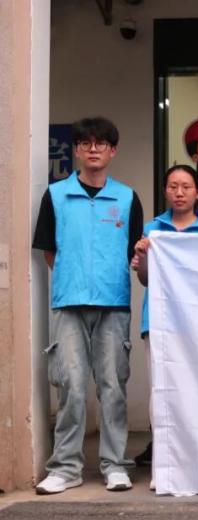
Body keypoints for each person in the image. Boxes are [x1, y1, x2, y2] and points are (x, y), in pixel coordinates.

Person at [32, 117, 144, 494]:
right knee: (71, 386)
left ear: (113, 151)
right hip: (68, 303)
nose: (93, 149)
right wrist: (76, 279)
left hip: (114, 304)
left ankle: (115, 465)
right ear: (77, 150)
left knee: (113, 386)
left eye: (101, 144)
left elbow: (134, 253)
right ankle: (66, 467)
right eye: (85, 143)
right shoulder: (56, 196)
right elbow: (50, 252)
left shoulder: (127, 198)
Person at [131, 165, 198, 488]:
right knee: (161, 393)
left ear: (197, 192)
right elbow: (146, 279)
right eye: (173, 186)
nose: (179, 192)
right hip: (159, 321)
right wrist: (142, 255)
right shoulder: (153, 230)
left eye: (186, 186)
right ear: (165, 191)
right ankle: (164, 468)